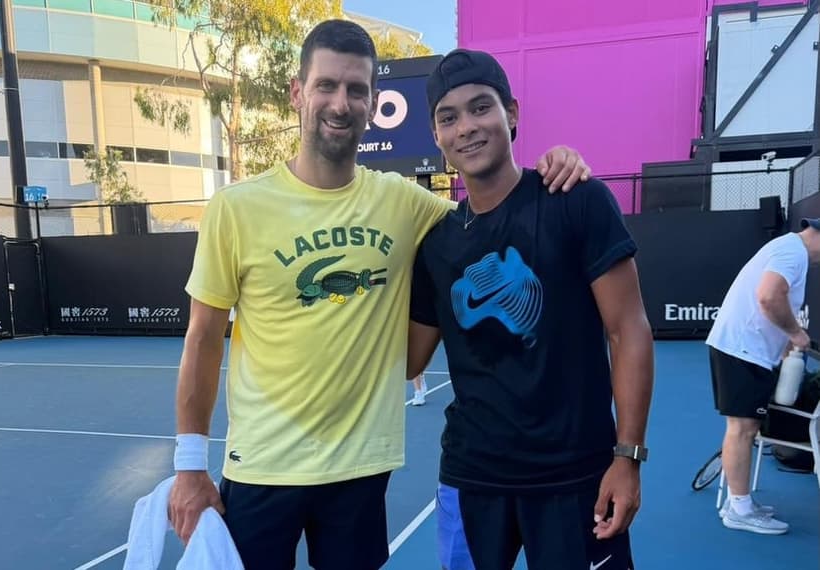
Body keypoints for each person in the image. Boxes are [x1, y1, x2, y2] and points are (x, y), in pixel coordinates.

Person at [168, 20, 592, 570]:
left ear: (372, 103)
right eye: (326, 85)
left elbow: (492, 213)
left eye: (356, 90)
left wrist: (555, 164)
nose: (340, 103)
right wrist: (189, 466)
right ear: (298, 93)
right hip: (262, 470)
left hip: (360, 474)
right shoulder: (236, 207)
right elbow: (203, 339)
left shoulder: (403, 203)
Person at [406, 49, 654, 569]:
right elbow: (407, 361)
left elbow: (627, 330)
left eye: (480, 108)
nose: (466, 128)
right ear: (435, 136)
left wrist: (627, 457)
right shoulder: (436, 244)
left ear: (511, 113)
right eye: (447, 118)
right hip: (471, 478)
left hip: (576, 479)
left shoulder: (576, 199)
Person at [706, 217, 820, 535]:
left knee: (744, 427)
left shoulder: (789, 250)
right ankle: (740, 510)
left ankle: (738, 502)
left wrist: (784, 341)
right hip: (742, 350)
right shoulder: (792, 253)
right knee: (742, 429)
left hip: (744, 349)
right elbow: (769, 296)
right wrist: (795, 333)